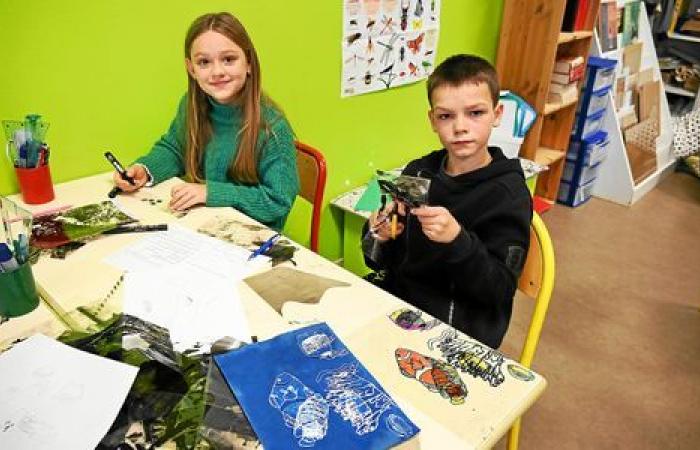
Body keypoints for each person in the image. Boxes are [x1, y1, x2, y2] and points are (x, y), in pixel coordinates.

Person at [362, 54, 532, 349]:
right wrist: (379, 236)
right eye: (446, 116)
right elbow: (378, 259)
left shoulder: (509, 195)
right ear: (432, 120)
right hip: (400, 305)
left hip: (459, 330)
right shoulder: (417, 172)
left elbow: (499, 291)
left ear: (497, 113)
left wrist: (457, 240)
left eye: (475, 113)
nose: (460, 127)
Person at [112, 12, 299, 230]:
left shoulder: (272, 129)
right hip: (205, 225)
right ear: (191, 68)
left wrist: (211, 192)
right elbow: (175, 148)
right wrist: (145, 169)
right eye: (204, 62)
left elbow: (278, 202)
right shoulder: (193, 105)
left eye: (228, 59)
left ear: (248, 62)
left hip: (251, 239)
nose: (217, 71)